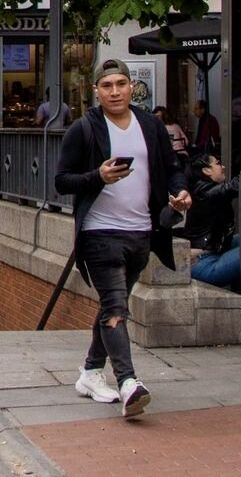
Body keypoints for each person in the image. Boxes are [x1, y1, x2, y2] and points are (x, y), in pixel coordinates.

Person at [54, 59, 191, 419]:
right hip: (99, 232)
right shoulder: (84, 129)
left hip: (142, 232)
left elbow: (172, 168)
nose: (114, 92)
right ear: (96, 92)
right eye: (107, 86)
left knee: (112, 306)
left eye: (121, 84)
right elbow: (62, 181)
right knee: (116, 307)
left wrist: (180, 193)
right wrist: (98, 176)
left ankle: (89, 372)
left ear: (133, 87)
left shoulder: (150, 125)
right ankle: (129, 382)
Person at [184, 153, 241, 291]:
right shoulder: (204, 191)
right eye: (218, 163)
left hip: (213, 251)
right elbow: (237, 185)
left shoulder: (208, 189)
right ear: (206, 170)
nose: (223, 166)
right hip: (204, 263)